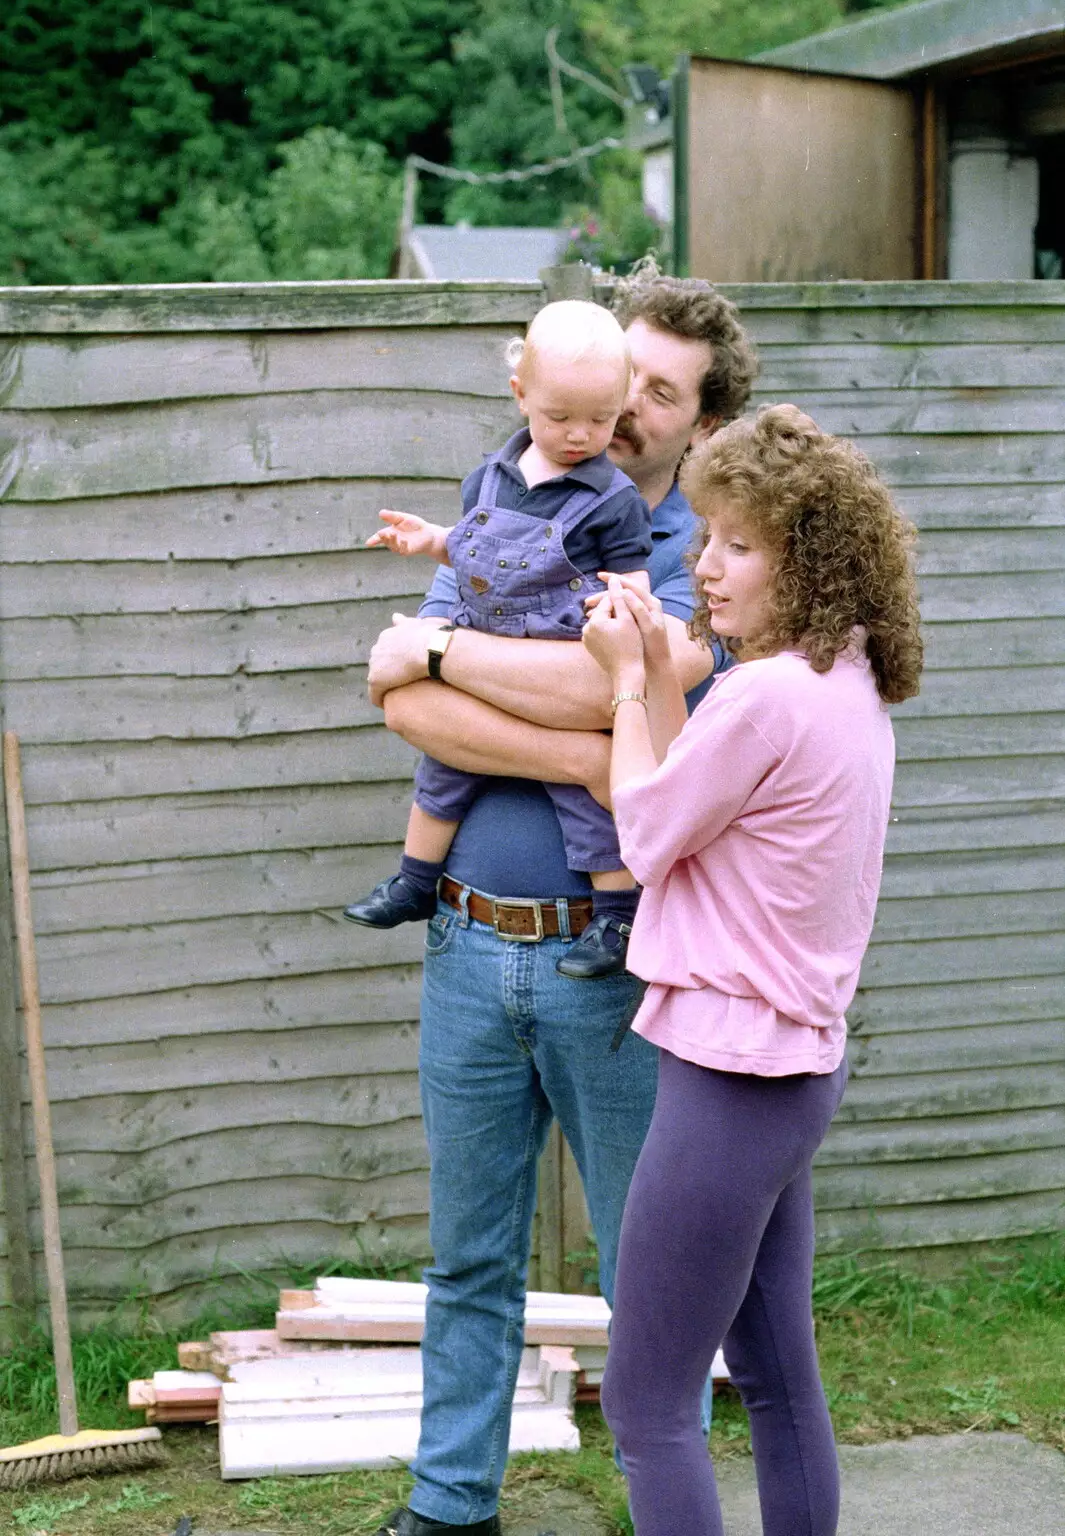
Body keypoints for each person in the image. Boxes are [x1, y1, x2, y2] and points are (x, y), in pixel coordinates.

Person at [365, 266, 758, 1536]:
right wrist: (578, 727)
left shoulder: (703, 561)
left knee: (655, 1272)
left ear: (700, 422)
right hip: (470, 940)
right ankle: (449, 1505)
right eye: (619, 375)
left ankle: (669, 1514)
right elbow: (405, 694)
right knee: (467, 1258)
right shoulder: (504, 499)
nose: (628, 407)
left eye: (661, 391)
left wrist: (452, 654)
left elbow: (635, 693)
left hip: (621, 967)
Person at [583, 404, 923, 1536]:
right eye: (705, 534)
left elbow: (643, 829)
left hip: (729, 1079)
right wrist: (660, 675)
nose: (705, 563)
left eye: (738, 543)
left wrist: (626, 682)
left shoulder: (768, 694)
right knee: (777, 1380)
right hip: (789, 1079)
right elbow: (694, 793)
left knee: (647, 1403)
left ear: (807, 558)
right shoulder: (843, 681)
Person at [344, 299, 653, 978]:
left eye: (600, 420)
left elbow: (631, 581)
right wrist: (431, 542)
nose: (579, 435)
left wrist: (625, 601)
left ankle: (616, 918)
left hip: (555, 662)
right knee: (443, 775)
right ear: (521, 397)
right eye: (559, 418)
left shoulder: (614, 499)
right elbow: (481, 551)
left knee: (586, 807)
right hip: (486, 654)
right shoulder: (488, 477)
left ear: (620, 405)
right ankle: (415, 881)